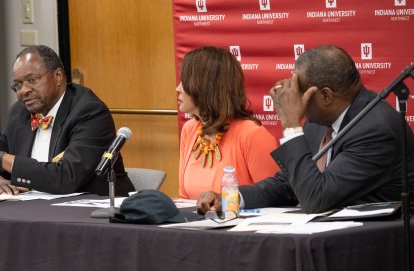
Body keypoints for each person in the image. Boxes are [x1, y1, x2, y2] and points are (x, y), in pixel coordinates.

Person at [197, 45, 414, 214]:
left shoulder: (376, 129)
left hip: (375, 247)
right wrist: (230, 199)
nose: (293, 99)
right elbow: (288, 184)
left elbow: (317, 199)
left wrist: (291, 125)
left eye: (298, 91)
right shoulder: (318, 123)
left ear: (326, 96)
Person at [0, 45, 134, 196]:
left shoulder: (89, 112)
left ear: (58, 77)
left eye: (31, 80)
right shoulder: (19, 113)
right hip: (34, 209)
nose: (23, 91)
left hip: (93, 212)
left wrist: (1, 159)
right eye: (17, 85)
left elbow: (66, 178)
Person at [177, 46, 279, 200]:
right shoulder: (190, 129)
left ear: (205, 86)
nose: (177, 88)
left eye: (184, 82)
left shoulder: (252, 134)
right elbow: (184, 198)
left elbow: (276, 196)